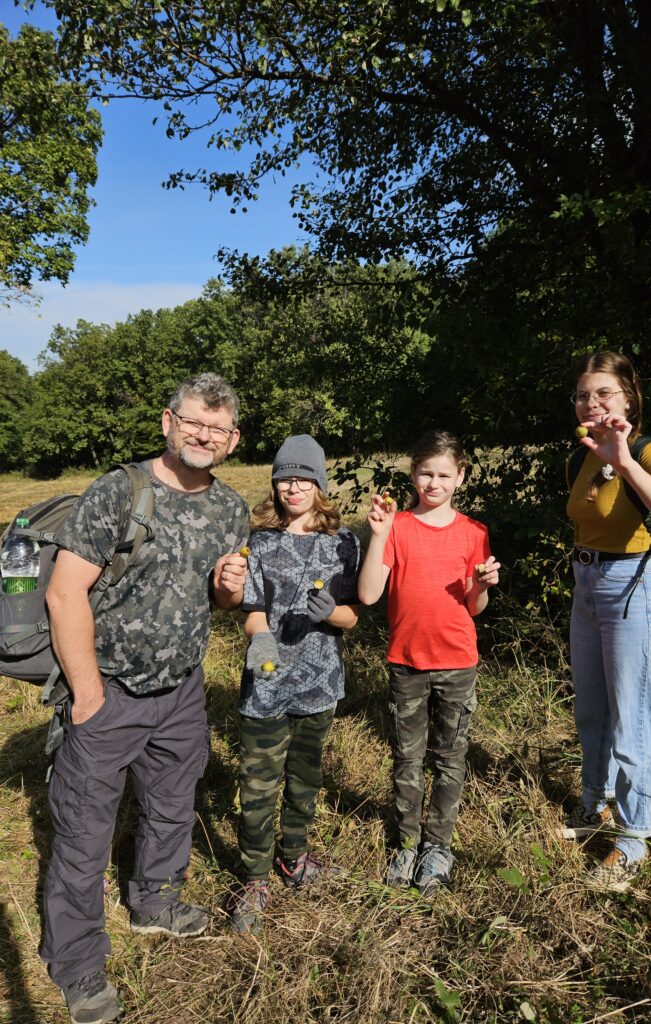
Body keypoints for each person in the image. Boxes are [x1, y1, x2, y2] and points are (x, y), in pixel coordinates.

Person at [41, 373, 250, 1024]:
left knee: (172, 804)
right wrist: (87, 694)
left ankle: (155, 903)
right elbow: (64, 592)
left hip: (182, 689)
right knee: (83, 830)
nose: (204, 435)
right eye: (194, 422)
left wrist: (230, 588)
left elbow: (219, 601)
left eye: (217, 428)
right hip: (109, 689)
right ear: (168, 422)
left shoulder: (230, 509)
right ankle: (76, 964)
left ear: (233, 439)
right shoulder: (120, 491)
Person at [562, 350, 651, 890]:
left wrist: (625, 462)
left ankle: (634, 838)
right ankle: (595, 804)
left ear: (628, 399)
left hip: (636, 589)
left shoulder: (648, 451)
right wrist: (603, 459)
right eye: (582, 394)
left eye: (603, 393)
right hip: (588, 586)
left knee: (636, 720)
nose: (590, 402)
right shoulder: (580, 456)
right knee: (592, 708)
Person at [229, 434, 360, 936]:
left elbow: (353, 616)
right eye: (285, 479)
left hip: (320, 682)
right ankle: (255, 878)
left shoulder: (343, 543)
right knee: (258, 783)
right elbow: (252, 612)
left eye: (304, 478)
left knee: (305, 777)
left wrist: (333, 614)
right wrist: (262, 647)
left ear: (320, 484)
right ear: (275, 485)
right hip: (266, 685)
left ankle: (294, 858)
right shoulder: (260, 543)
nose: (294, 487)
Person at [358, 429, 499, 895]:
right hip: (406, 662)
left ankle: (438, 846)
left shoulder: (474, 532)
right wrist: (378, 536)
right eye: (425, 473)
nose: (433, 483)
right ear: (412, 474)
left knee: (450, 758)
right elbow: (369, 594)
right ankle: (406, 843)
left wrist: (482, 586)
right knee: (407, 757)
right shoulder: (396, 527)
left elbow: (475, 607)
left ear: (461, 477)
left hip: (457, 662)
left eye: (443, 475)